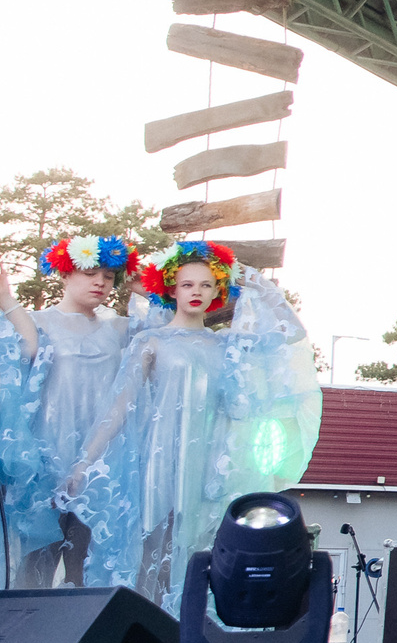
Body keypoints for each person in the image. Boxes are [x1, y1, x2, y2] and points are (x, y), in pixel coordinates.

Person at [65, 242, 321, 612]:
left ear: (218, 291)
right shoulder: (150, 340)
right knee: (153, 545)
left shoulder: (227, 346)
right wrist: (84, 462)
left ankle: (190, 635)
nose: (196, 292)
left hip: (208, 463)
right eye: (187, 285)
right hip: (157, 461)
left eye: (206, 285)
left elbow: (290, 335)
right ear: (171, 289)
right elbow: (119, 406)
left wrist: (257, 282)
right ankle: (147, 631)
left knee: (199, 547)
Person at [0, 236, 138, 588]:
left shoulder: (118, 328)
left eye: (109, 276)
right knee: (35, 565)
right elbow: (23, 355)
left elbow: (167, 323)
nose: (101, 283)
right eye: (91, 273)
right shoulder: (38, 321)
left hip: (100, 460)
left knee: (84, 566)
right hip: (46, 456)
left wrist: (143, 286)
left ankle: (83, 639)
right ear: (63, 273)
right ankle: (26, 640)